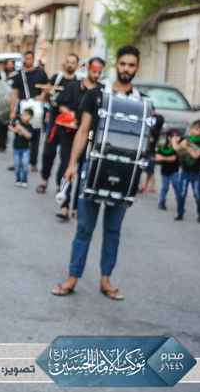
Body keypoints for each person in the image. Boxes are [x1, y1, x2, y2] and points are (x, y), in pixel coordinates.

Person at [53, 45, 145, 300]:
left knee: (113, 231)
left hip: (124, 175)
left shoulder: (143, 101)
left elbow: (145, 140)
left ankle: (106, 281)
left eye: (131, 65)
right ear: (116, 65)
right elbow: (83, 131)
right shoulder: (96, 94)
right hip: (93, 169)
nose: (126, 69)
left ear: (137, 67)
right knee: (84, 228)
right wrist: (72, 164)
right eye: (123, 64)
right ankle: (72, 278)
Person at [53, 58, 104, 220]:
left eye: (99, 72)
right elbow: (60, 104)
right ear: (88, 69)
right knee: (67, 168)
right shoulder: (73, 86)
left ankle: (76, 207)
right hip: (70, 134)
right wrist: (70, 114)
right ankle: (64, 205)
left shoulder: (102, 91)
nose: (96, 75)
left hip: (90, 139)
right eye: (94, 71)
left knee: (84, 173)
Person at [36, 53, 79, 193]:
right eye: (68, 62)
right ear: (64, 63)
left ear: (77, 65)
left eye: (73, 62)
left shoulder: (78, 83)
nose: (70, 65)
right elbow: (47, 100)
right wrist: (47, 93)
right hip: (55, 123)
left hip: (70, 126)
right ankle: (44, 179)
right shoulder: (57, 78)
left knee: (65, 156)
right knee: (48, 152)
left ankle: (60, 184)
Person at [9, 51, 48, 170]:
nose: (28, 60)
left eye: (30, 58)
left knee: (35, 135)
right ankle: (18, 160)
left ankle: (33, 162)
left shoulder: (41, 74)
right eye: (26, 58)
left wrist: (42, 96)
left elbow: (47, 89)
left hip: (36, 108)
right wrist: (12, 110)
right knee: (20, 133)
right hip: (23, 107)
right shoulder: (19, 75)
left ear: (33, 59)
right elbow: (14, 93)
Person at [172, 120, 200, 222]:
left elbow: (195, 155)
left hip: (196, 173)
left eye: (197, 129)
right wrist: (174, 142)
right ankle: (180, 213)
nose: (193, 130)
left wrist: (187, 146)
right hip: (185, 171)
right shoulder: (187, 138)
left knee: (197, 194)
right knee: (182, 193)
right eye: (193, 128)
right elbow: (179, 150)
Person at [156, 128, 180, 211]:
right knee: (164, 188)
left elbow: (173, 158)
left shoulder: (177, 147)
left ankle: (180, 204)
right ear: (169, 137)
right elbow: (157, 156)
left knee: (177, 189)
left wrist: (162, 158)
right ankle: (161, 202)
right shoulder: (163, 146)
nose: (177, 138)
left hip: (174, 171)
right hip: (165, 170)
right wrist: (162, 158)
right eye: (175, 137)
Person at [9, 109, 34, 187]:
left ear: (31, 117)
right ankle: (18, 179)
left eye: (26, 115)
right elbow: (10, 127)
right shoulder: (18, 123)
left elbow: (28, 136)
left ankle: (25, 180)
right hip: (16, 148)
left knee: (25, 164)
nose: (23, 117)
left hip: (26, 148)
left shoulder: (30, 126)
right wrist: (16, 129)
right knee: (17, 165)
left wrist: (21, 128)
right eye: (23, 115)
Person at [0, 59, 16, 153]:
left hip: (12, 103)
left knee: (8, 124)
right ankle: (1, 144)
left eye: (11, 64)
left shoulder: (17, 76)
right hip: (1, 104)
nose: (10, 66)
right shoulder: (1, 75)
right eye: (8, 64)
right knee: (0, 124)